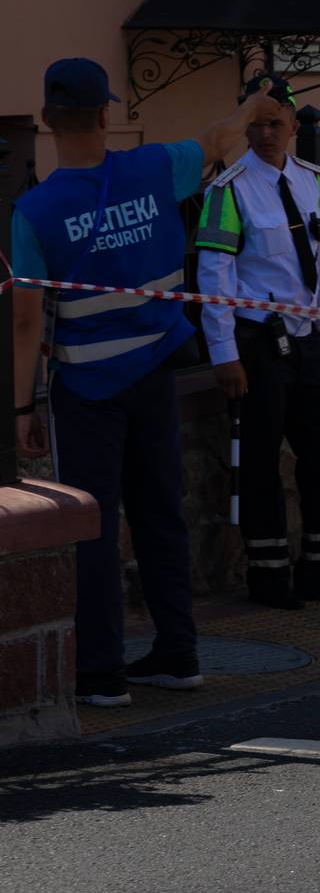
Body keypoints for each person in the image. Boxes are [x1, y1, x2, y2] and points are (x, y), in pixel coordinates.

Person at [9, 58, 283, 707]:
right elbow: (220, 138)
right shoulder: (156, 168)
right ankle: (179, 652)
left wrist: (21, 406)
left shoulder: (34, 210)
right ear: (106, 114)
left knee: (93, 525)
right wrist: (252, 107)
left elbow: (25, 321)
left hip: (88, 389)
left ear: (48, 122)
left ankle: (101, 674)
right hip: (157, 373)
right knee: (163, 512)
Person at [195, 75, 320, 610]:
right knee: (259, 461)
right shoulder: (226, 189)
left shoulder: (308, 179)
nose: (267, 133)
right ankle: (269, 576)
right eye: (257, 123)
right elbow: (214, 274)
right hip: (256, 341)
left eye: (276, 123)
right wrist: (224, 352)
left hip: (303, 338)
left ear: (295, 127)